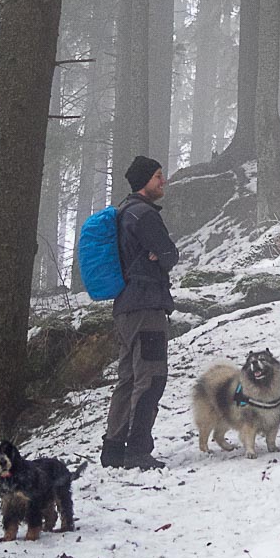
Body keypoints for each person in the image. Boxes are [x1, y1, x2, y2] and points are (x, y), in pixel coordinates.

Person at [100, 155, 179, 470]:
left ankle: (113, 449)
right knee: (152, 376)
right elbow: (169, 254)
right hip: (146, 304)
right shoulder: (144, 215)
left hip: (124, 307)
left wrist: (155, 254)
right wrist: (159, 254)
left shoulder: (123, 212)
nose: (163, 181)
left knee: (128, 378)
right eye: (159, 176)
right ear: (146, 180)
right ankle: (137, 451)